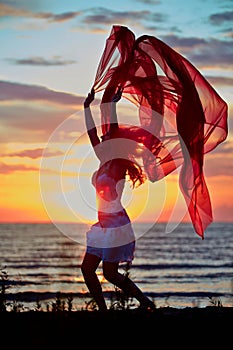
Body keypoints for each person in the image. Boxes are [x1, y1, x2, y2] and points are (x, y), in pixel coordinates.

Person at [81, 87, 155, 311]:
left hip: (116, 224)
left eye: (107, 137)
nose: (102, 138)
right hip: (103, 225)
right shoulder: (103, 158)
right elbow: (92, 133)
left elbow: (108, 129)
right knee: (87, 269)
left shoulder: (118, 166)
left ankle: (145, 303)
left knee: (110, 274)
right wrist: (87, 107)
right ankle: (103, 310)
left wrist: (111, 107)